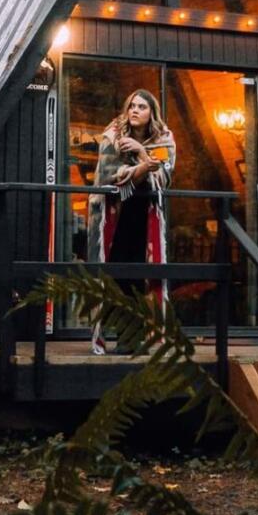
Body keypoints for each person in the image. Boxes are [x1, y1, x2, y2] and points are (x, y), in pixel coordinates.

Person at [88, 89, 176, 355]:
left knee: (143, 276)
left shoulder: (164, 139)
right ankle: (119, 334)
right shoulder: (113, 135)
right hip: (114, 215)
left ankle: (137, 336)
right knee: (113, 274)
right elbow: (107, 176)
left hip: (145, 215)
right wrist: (141, 165)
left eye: (141, 107)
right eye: (131, 106)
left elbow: (163, 176)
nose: (135, 110)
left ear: (152, 113)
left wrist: (140, 152)